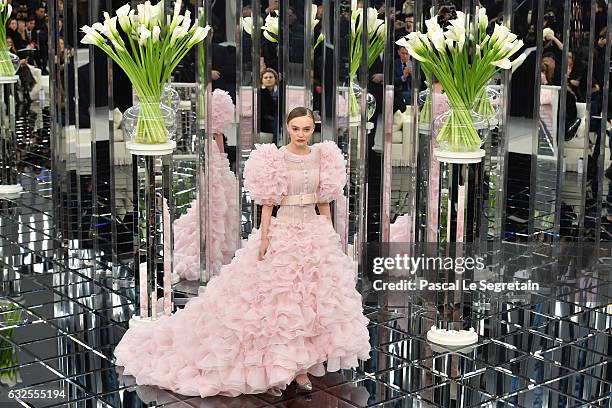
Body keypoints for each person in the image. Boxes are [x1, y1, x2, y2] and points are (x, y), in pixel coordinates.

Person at [114, 107, 371, 397]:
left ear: (314, 129)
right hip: (282, 231)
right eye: (296, 128)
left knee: (313, 299)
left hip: (314, 233)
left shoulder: (324, 157)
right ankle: (290, 367)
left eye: (306, 129)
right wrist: (263, 237)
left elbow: (325, 201)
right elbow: (267, 204)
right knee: (281, 302)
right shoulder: (274, 158)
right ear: (287, 127)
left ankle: (304, 362)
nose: (301, 134)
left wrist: (330, 235)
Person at [260, 68, 279, 143]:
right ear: (262, 80)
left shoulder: (280, 92)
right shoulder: (260, 92)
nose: (268, 79)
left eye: (271, 77)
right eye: (265, 77)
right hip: (264, 120)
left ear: (275, 79)